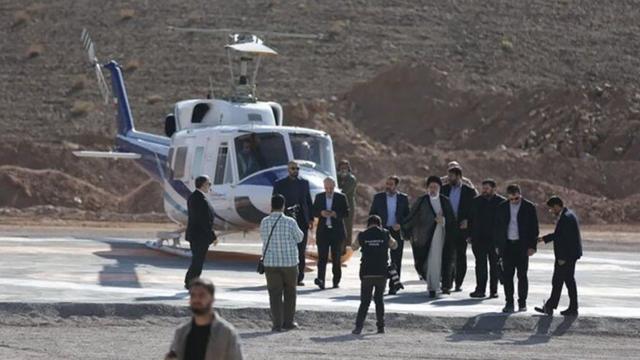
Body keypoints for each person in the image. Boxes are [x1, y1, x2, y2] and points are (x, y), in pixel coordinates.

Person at [402, 176, 457, 298]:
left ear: (439, 188)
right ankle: (432, 286)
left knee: (443, 261)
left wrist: (443, 221)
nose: (433, 189)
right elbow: (412, 217)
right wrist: (406, 230)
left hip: (442, 235)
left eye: (435, 187)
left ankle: (444, 286)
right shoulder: (422, 201)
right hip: (425, 237)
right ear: (427, 188)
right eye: (431, 187)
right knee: (430, 262)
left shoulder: (445, 201)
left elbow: (452, 221)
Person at [165, 278, 243, 360]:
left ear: (212, 299)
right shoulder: (181, 332)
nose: (196, 299)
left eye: (202, 295)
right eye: (193, 295)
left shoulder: (226, 333)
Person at [260, 194, 304, 331]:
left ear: (271, 206)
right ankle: (289, 322)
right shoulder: (290, 222)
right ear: (283, 206)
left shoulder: (264, 221)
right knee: (290, 293)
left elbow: (263, 237)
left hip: (271, 263)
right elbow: (300, 238)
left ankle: (277, 324)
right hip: (289, 263)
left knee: (274, 294)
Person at [494, 184, 539, 313]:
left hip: (522, 246)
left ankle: (522, 302)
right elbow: (497, 228)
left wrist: (532, 246)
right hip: (507, 246)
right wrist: (497, 245)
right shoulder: (502, 207)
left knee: (522, 275)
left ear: (520, 195)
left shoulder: (529, 207)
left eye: (516, 198)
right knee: (508, 276)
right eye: (511, 199)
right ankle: (509, 302)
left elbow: (534, 229)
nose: (514, 201)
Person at [534, 196, 583, 316]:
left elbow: (564, 239)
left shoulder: (566, 218)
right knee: (564, 281)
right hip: (570, 255)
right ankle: (560, 306)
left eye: (551, 209)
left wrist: (562, 258)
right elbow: (559, 234)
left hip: (566, 256)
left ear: (556, 206)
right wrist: (543, 239)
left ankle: (560, 307)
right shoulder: (568, 214)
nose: (551, 212)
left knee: (561, 281)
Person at [351, 215, 397, 335]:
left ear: (368, 224)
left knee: (365, 302)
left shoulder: (362, 235)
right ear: (379, 224)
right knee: (379, 300)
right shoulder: (385, 233)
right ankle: (380, 327)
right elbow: (394, 245)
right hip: (381, 273)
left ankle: (358, 327)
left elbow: (353, 247)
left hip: (366, 273)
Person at [272, 161, 314, 286]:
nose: (295, 170)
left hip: (301, 220)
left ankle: (299, 278)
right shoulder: (280, 184)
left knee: (301, 250)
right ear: (288, 169)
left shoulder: (304, 183)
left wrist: (310, 218)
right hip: (285, 220)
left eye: (297, 168)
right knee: (285, 250)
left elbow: (308, 201)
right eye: (293, 168)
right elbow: (274, 202)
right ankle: (285, 277)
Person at [369, 175, 410, 294]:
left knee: (396, 259)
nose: (388, 186)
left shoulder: (403, 198)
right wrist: (376, 227)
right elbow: (372, 214)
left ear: (396, 186)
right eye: (387, 184)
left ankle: (394, 285)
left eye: (391, 184)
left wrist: (400, 225)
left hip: (396, 232)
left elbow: (408, 216)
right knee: (381, 259)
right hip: (382, 232)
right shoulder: (378, 198)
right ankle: (380, 285)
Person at [441, 163, 477, 292]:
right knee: (446, 255)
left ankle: (458, 282)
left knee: (461, 256)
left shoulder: (469, 191)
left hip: (462, 228)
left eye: (451, 176)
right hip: (447, 226)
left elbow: (474, 210)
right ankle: (447, 283)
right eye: (449, 176)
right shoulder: (443, 189)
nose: (449, 178)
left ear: (458, 176)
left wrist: (468, 221)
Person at [468, 179, 505, 298]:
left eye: (487, 188)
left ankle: (493, 290)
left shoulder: (502, 203)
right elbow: (470, 220)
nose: (484, 191)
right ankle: (480, 290)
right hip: (479, 240)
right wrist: (469, 235)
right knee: (480, 266)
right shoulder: (476, 201)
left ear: (494, 189)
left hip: (495, 241)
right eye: (483, 188)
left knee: (494, 266)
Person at [313, 177, 349, 289]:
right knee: (322, 258)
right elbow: (313, 211)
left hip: (336, 231)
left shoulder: (341, 197)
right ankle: (321, 280)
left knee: (336, 257)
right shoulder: (319, 197)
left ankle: (336, 280)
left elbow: (346, 212)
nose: (328, 190)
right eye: (326, 188)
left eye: (331, 188)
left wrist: (335, 214)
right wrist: (321, 213)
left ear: (334, 186)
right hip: (323, 231)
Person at [184, 176, 218, 289]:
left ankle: (192, 281)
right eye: (209, 184)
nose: (210, 186)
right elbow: (203, 220)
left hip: (197, 235)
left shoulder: (197, 197)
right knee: (198, 260)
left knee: (198, 260)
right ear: (203, 184)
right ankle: (191, 282)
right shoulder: (199, 199)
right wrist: (213, 236)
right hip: (199, 236)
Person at [337, 159, 358, 249]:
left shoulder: (351, 179)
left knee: (347, 227)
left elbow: (344, 191)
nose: (343, 169)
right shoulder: (337, 177)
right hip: (338, 205)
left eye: (345, 168)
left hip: (348, 206)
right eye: (342, 168)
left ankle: (347, 247)